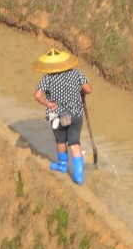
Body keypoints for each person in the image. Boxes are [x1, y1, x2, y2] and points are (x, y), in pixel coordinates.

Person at [34, 47, 91, 185]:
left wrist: (48, 103)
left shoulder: (47, 78)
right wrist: (80, 91)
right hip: (76, 114)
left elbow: (37, 95)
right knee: (74, 143)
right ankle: (78, 176)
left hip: (61, 116)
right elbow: (88, 89)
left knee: (61, 140)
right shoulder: (76, 73)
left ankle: (63, 165)